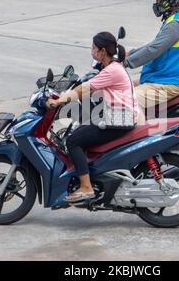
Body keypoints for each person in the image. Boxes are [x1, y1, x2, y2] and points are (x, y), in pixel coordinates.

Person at [47, 32, 139, 202]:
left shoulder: (111, 70)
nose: (92, 51)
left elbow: (84, 89)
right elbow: (91, 89)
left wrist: (59, 100)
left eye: (93, 48)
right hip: (120, 117)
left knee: (73, 140)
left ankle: (86, 187)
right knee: (81, 128)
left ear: (102, 51)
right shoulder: (114, 67)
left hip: (119, 120)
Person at [123, 0, 179, 120]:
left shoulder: (174, 25)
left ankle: (141, 140)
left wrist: (125, 63)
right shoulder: (176, 19)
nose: (156, 2)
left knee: (127, 102)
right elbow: (154, 45)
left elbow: (154, 50)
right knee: (122, 87)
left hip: (168, 82)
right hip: (163, 77)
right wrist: (128, 53)